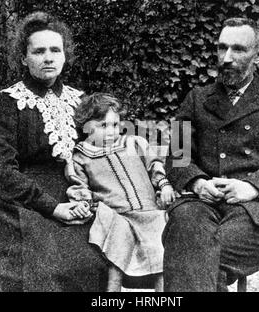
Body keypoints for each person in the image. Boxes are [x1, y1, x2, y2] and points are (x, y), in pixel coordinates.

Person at [0, 12, 109, 292]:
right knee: (47, 266)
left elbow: (101, 152)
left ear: (65, 56)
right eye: (38, 51)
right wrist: (54, 208)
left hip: (77, 198)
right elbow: (4, 170)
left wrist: (89, 193)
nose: (48, 58)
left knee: (91, 260)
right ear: (24, 58)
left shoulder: (80, 101)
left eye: (55, 50)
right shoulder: (8, 102)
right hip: (26, 204)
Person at [163, 17, 259, 292]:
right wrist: (198, 183)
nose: (227, 58)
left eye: (238, 49)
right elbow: (177, 156)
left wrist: (252, 187)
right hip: (203, 205)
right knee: (187, 231)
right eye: (221, 48)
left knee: (194, 258)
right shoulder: (196, 99)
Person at [64, 93, 176, 291]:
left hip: (148, 211)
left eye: (115, 125)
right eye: (103, 126)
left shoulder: (134, 143)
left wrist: (164, 185)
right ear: (86, 127)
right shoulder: (81, 157)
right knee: (118, 236)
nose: (111, 132)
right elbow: (79, 186)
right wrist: (83, 202)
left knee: (159, 236)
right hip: (115, 214)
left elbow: (154, 166)